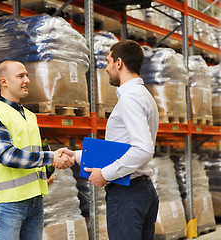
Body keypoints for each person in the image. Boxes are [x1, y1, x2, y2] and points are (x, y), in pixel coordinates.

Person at [61, 40, 159, 240]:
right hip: (141, 190)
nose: (106, 69)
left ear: (119, 63)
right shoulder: (143, 95)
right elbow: (122, 148)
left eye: (108, 62)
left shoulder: (130, 98)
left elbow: (142, 149)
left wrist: (105, 174)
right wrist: (78, 156)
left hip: (127, 194)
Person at [0, 60, 75, 240]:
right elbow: (8, 155)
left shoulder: (29, 116)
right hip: (7, 204)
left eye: (27, 75)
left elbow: (35, 151)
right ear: (4, 82)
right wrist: (52, 157)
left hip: (34, 200)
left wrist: (48, 170)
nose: (27, 80)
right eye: (20, 76)